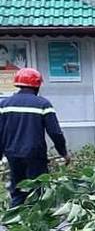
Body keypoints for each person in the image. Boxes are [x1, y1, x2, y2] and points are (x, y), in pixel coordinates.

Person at [0, 68, 70, 207]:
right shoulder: (42, 104)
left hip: (12, 154)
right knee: (39, 190)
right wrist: (63, 153)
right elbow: (55, 132)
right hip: (35, 155)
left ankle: (15, 222)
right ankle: (39, 221)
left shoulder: (4, 105)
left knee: (18, 190)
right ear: (37, 85)